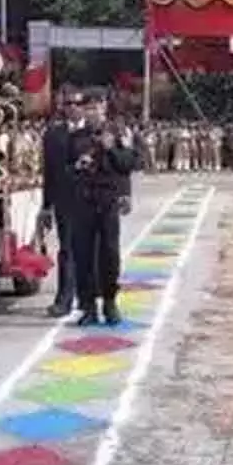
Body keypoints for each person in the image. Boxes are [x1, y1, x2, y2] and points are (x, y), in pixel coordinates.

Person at [69, 91, 137, 326]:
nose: (92, 111)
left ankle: (110, 302)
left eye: (97, 106)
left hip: (107, 200)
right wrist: (77, 166)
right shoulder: (75, 137)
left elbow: (128, 164)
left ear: (105, 108)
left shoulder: (117, 133)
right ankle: (88, 306)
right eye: (88, 107)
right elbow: (66, 169)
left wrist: (111, 149)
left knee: (109, 254)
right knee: (83, 254)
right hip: (84, 201)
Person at [40, 90, 87, 318]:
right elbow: (49, 173)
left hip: (91, 199)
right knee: (67, 250)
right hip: (65, 200)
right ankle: (64, 299)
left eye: (76, 103)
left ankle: (89, 297)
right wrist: (46, 205)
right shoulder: (53, 134)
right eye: (67, 104)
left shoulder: (95, 132)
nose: (71, 107)